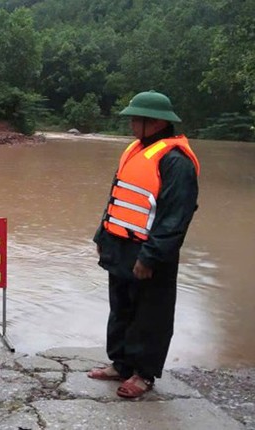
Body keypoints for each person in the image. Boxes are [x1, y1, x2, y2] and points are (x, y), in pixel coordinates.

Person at [88, 90, 200, 398]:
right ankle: (121, 364)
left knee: (150, 314)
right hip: (120, 246)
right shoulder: (135, 151)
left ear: (157, 123)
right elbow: (118, 196)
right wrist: (102, 235)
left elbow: (175, 218)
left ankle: (143, 374)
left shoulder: (177, 163)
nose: (132, 124)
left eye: (137, 119)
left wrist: (150, 257)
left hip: (150, 252)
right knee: (121, 308)